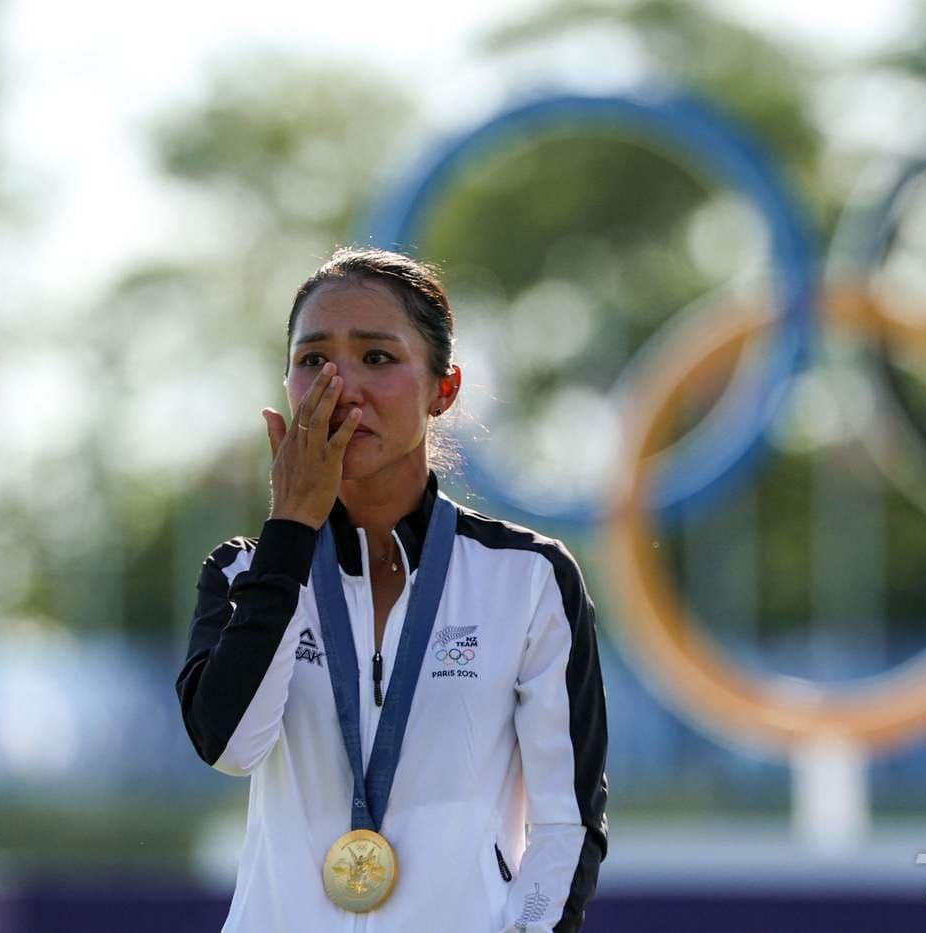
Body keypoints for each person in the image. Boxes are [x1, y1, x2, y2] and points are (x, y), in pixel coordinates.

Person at [175, 247, 609, 932]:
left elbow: (566, 822)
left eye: (377, 358)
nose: (341, 385)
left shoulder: (528, 578)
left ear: (445, 388)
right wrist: (290, 534)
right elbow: (230, 746)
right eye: (313, 360)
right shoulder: (243, 574)